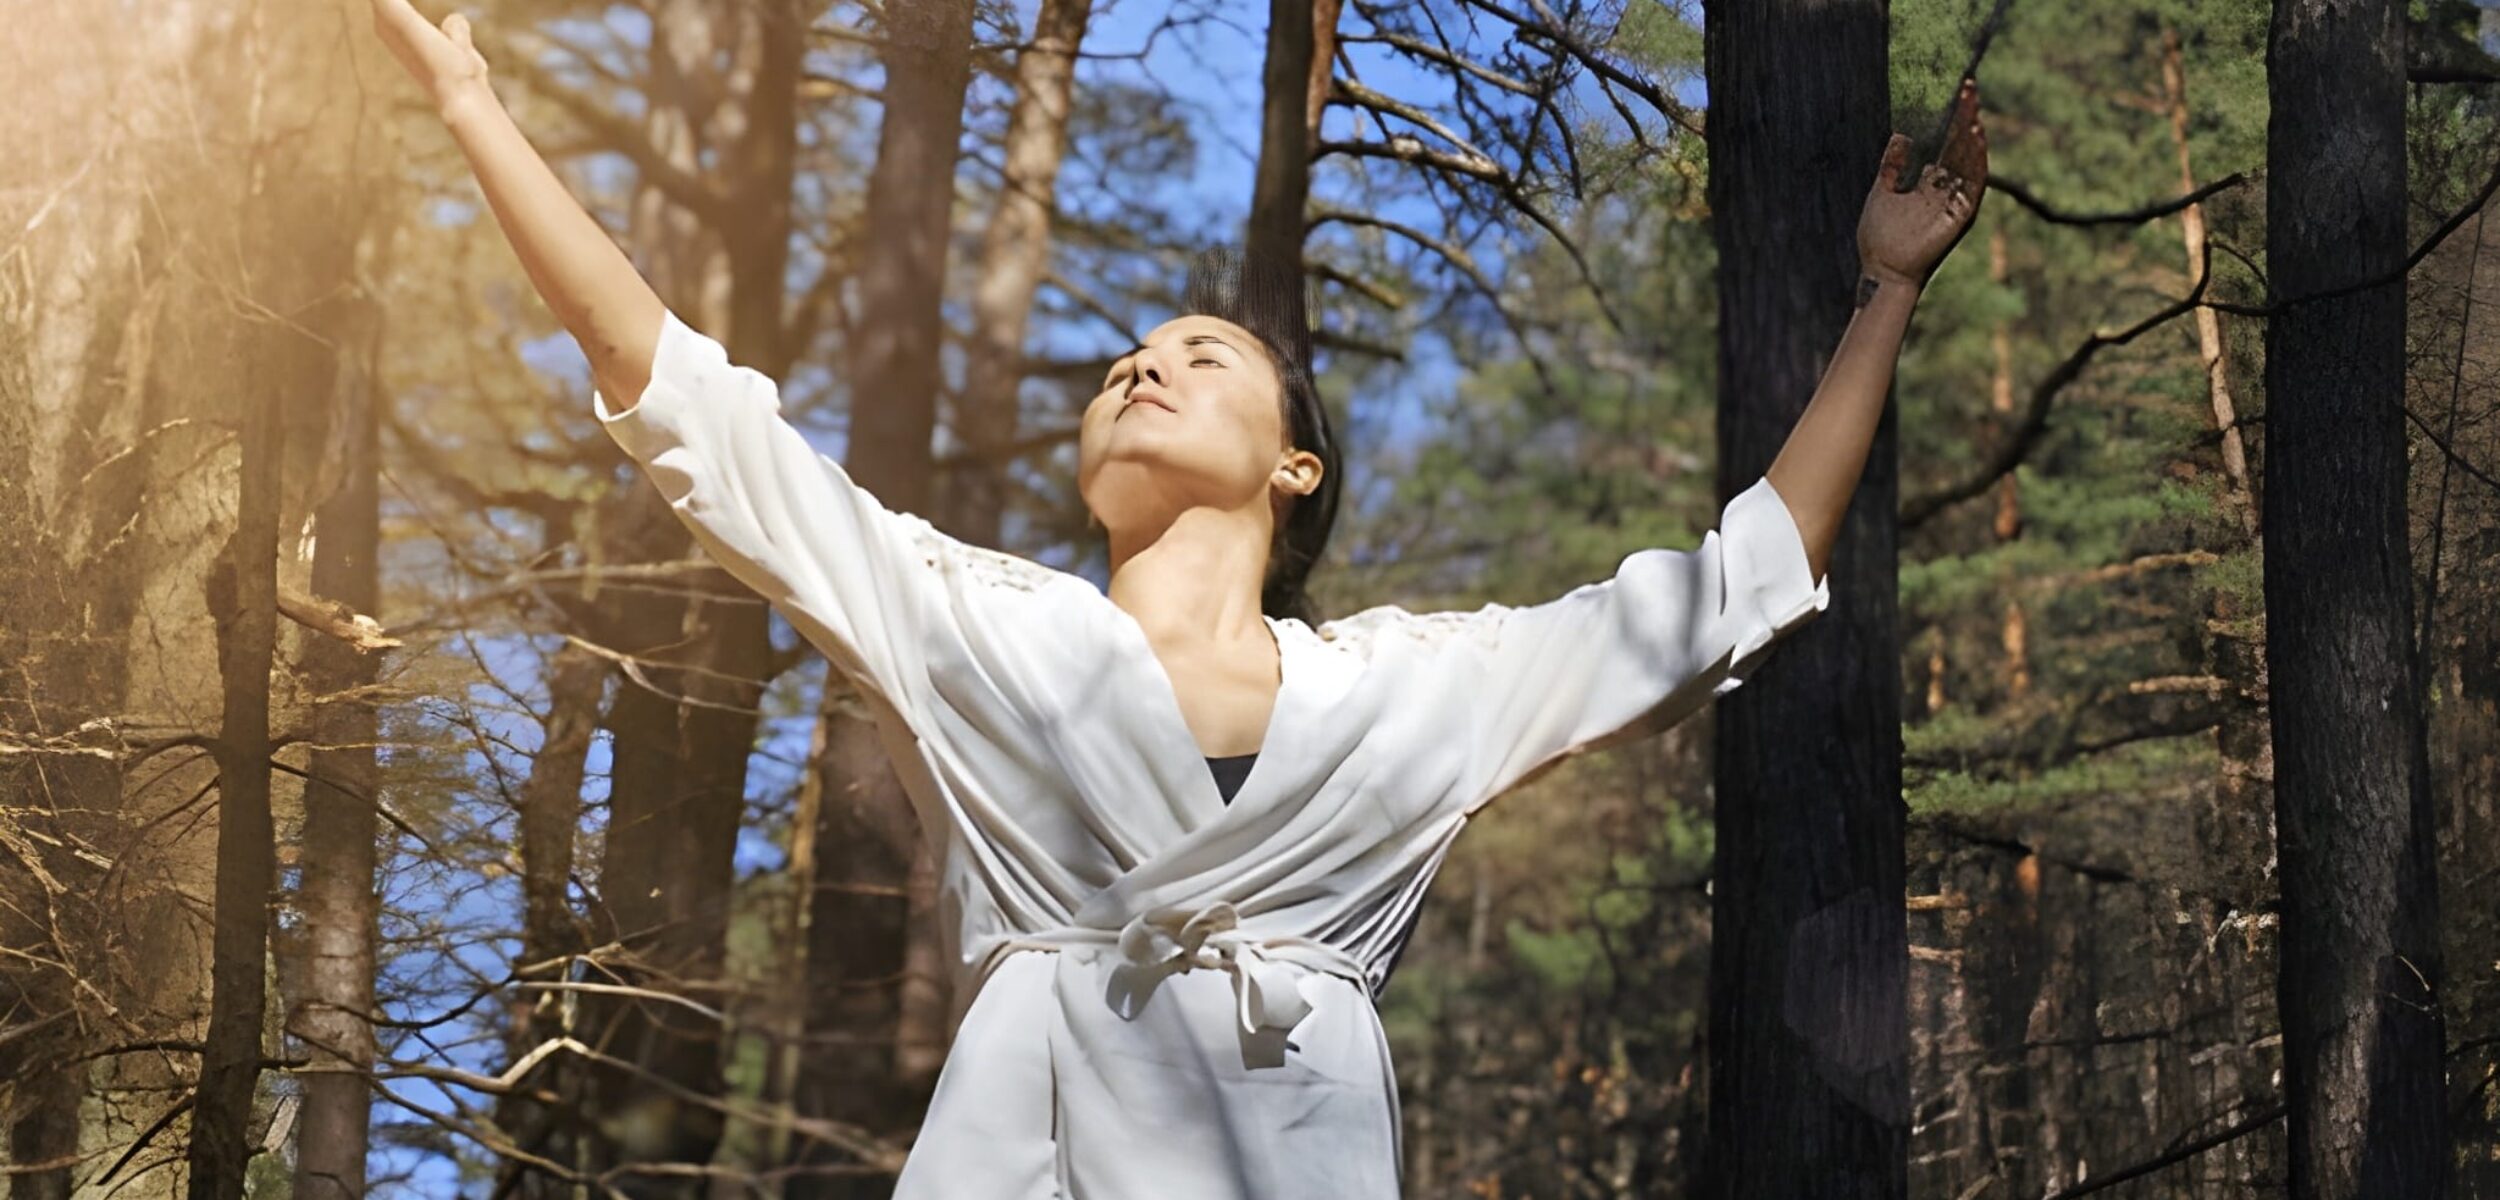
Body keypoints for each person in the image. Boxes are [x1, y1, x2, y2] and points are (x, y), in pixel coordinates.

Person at [370, 2, 1988, 1195]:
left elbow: (1738, 584)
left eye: (1203, 355)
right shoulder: (981, 621)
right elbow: (682, 405)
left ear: (1295, 470)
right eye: (1126, 360)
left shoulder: (1409, 691)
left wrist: (1887, 290)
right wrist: (471, 105)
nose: (1145, 360)